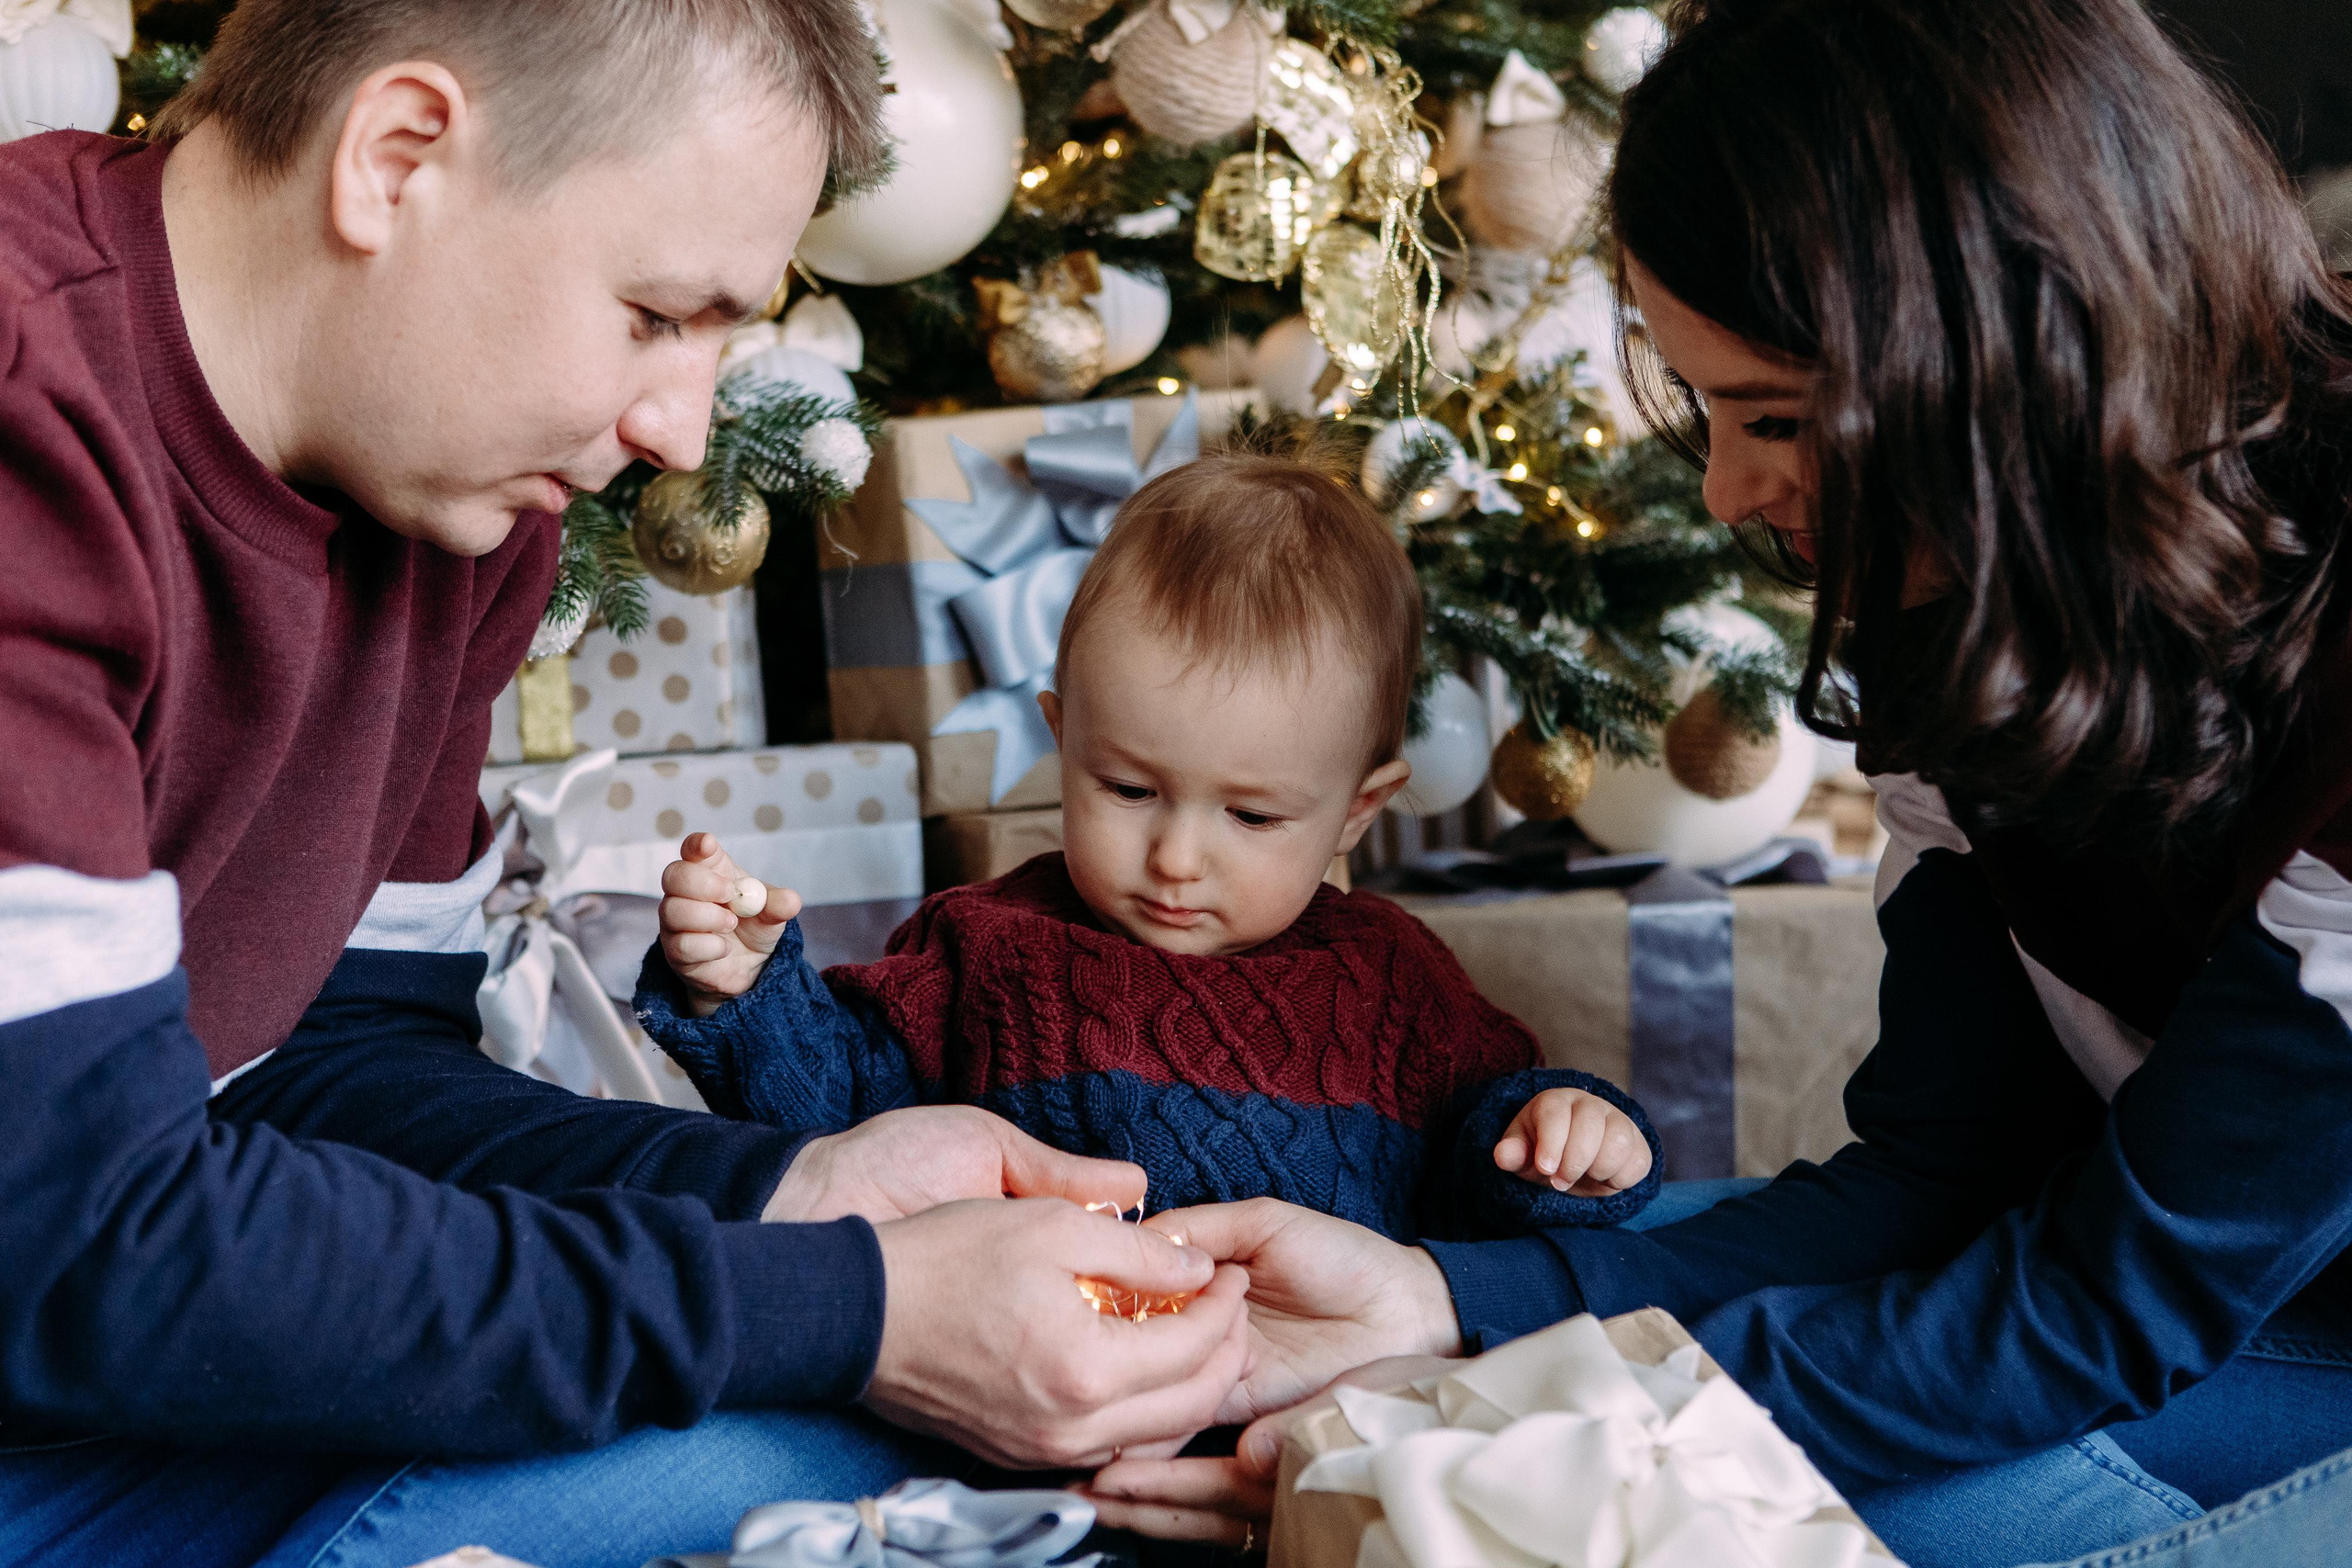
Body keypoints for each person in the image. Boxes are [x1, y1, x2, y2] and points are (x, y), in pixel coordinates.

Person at [1079, 2, 2352, 1565]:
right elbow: (1943, 1177)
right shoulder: (1970, 594)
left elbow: (2104, 1304)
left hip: (2252, 1325)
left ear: (2006, 356)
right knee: (1531, 1285)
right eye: (1710, 408)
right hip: (2143, 1288)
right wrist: (1443, 1303)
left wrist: (1491, 1418)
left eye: (1780, 420)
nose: (1728, 489)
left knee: (1709, 1491)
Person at [0, 5, 1257, 1565]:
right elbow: (74, 1242)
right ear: (397, 157)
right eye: (656, 315)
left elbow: (325, 1060)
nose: (680, 432)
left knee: (949, 1447)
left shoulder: (449, 508)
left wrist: (795, 1191)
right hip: (73, 1341)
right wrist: (849, 1305)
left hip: (116, 1376)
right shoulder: (30, 415)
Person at [634, 452, 1661, 1239]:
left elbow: (1487, 1160)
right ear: (1063, 737)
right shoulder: (981, 947)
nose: (1175, 857)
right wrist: (744, 992)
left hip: (1319, 1395)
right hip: (1025, 1388)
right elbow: (835, 1119)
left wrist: (1561, 1133)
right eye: (1128, 790)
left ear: (1357, 810)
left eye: (1251, 817)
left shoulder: (1395, 982)